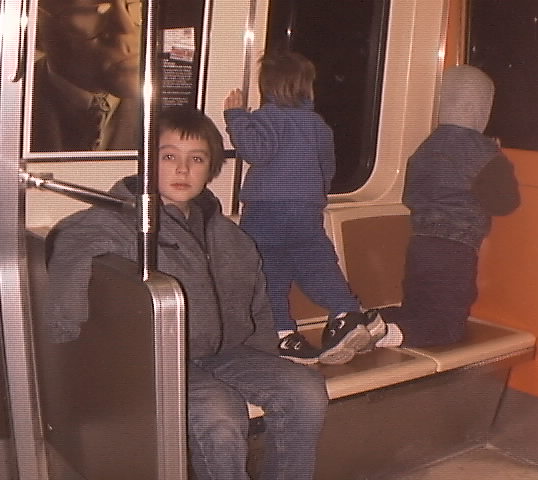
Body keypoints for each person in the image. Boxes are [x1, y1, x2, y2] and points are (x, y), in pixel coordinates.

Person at [45, 107, 328, 480]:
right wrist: (65, 333)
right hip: (158, 359)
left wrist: (266, 361)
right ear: (147, 163)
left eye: (196, 159)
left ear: (211, 168)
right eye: (169, 157)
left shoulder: (231, 237)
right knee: (220, 414)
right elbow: (71, 241)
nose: (182, 169)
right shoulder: (123, 222)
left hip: (228, 351)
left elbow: (257, 304)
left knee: (306, 391)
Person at [223, 50, 376, 366]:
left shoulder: (267, 118)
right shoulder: (318, 125)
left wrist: (236, 116)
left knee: (268, 272)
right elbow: (327, 168)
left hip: (266, 208)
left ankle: (282, 333)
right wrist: (312, 194)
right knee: (315, 261)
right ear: (307, 87)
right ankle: (346, 314)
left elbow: (256, 152)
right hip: (306, 207)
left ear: (267, 87)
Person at [372, 64, 521, 349]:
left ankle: (370, 322)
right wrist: (497, 155)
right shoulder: (484, 152)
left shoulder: (425, 148)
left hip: (420, 244)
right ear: (479, 108)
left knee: (417, 307)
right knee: (446, 326)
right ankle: (390, 335)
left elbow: (409, 196)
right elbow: (506, 202)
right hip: (456, 249)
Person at [32, 0, 142, 151]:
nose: (127, 28)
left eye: (133, 4)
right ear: (36, 27)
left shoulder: (169, 102)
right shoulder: (10, 108)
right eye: (95, 11)